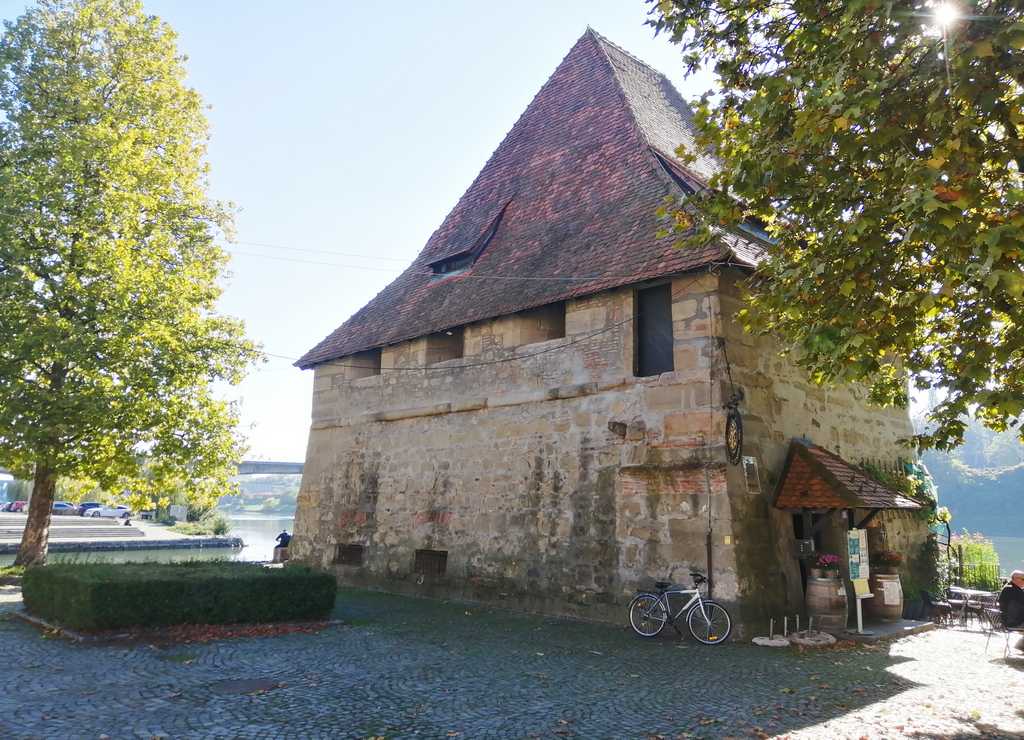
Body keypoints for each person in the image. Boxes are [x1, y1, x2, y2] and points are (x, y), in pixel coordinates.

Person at [999, 569, 1024, 652]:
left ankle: (1021, 644)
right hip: (1012, 622)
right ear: (1015, 579)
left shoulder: (1009, 588)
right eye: (1023, 579)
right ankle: (1021, 644)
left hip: (1008, 619)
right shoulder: (1012, 590)